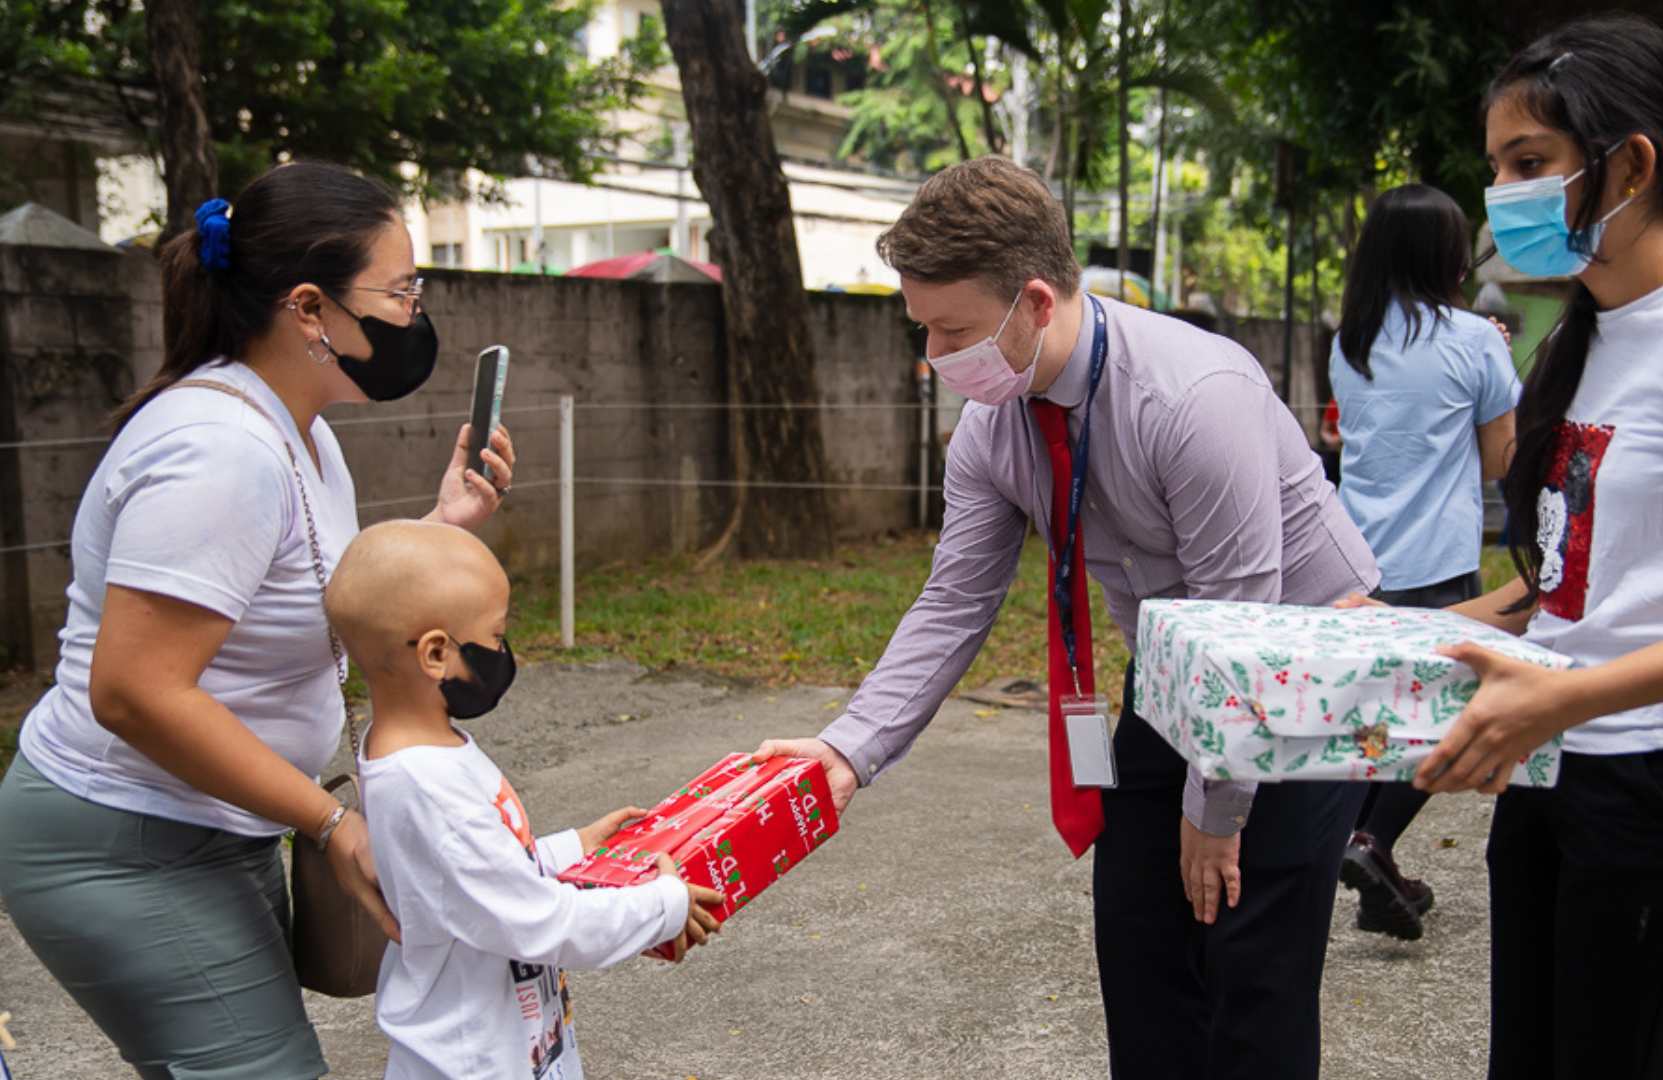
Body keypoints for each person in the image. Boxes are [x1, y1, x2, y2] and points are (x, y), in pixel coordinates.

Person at [757, 157, 1379, 1079]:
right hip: (1174, 672)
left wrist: (1214, 811)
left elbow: (1238, 625)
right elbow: (953, 599)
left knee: (1252, 970)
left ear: (1036, 302)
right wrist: (849, 751)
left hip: (1298, 674)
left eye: (953, 330)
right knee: (1139, 945)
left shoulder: (1193, 400)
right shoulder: (993, 425)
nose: (935, 358)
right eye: (921, 329)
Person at [1370, 17, 1663, 1079]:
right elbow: (1565, 585)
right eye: (1495, 169)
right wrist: (1406, 627)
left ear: (1631, 164)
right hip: (1556, 774)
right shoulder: (1580, 338)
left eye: (1530, 164)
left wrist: (1569, 695)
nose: (1504, 195)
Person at [0, 161, 516, 1079]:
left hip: (215, 823)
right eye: (399, 291)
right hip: (130, 838)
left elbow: (301, 599)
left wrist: (441, 528)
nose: (414, 315)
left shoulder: (298, 431)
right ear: (310, 309)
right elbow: (133, 691)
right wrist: (327, 823)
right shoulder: (219, 450)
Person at [327, 520, 723, 1079]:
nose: (504, 651)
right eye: (495, 635)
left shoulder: (424, 752)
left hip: (513, 1044)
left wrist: (572, 849)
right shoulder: (425, 786)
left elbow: (473, 878)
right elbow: (543, 923)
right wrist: (666, 905)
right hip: (476, 1063)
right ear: (437, 653)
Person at [1328, 182, 1521, 941]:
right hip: (1438, 560)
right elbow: (1501, 456)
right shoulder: (1474, 340)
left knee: (1371, 713)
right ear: (1448, 255)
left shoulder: (1349, 339)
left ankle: (1370, 856)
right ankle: (1372, 842)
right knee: (1442, 716)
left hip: (1354, 554)